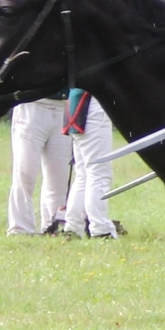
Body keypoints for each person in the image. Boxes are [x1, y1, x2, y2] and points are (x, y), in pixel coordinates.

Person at [7, 90, 70, 237]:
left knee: (59, 178)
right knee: (25, 172)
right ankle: (20, 228)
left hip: (63, 105)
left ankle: (53, 225)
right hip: (32, 104)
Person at [59, 89, 117, 239]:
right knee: (99, 174)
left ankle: (73, 226)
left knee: (84, 174)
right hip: (91, 103)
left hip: (81, 102)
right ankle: (101, 229)